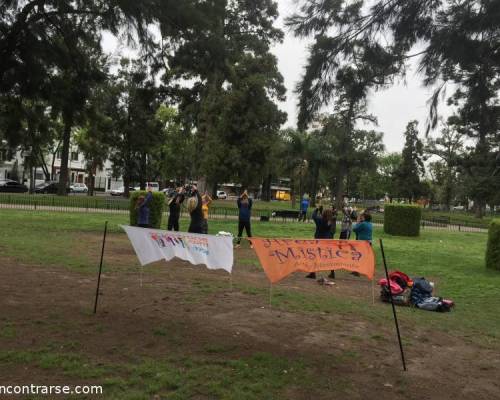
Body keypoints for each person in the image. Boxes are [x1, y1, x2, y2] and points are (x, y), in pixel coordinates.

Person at [306, 205, 336, 279]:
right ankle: (332, 273)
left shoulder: (319, 220)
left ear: (323, 214)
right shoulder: (330, 221)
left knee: (315, 256)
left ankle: (313, 273)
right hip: (327, 240)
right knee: (329, 257)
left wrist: (317, 209)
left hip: (318, 240)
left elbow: (313, 216)